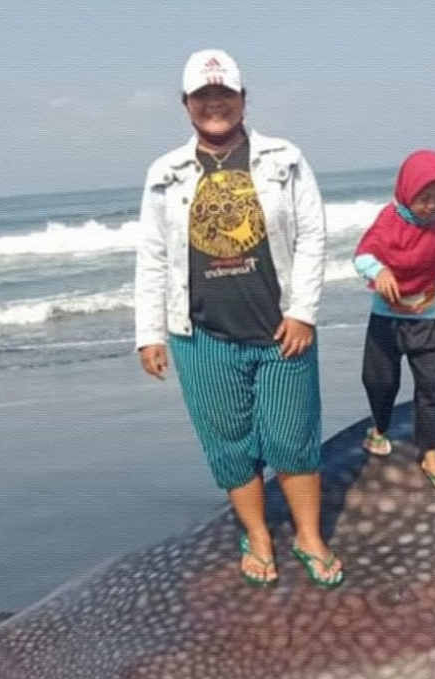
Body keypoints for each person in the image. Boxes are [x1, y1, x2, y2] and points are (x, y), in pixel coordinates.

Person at [132, 49, 342, 588]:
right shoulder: (165, 173)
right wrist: (149, 334)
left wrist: (302, 313)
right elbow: (153, 256)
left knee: (293, 436)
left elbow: (314, 236)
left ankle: (308, 536)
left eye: (224, 93)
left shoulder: (285, 158)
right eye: (203, 97)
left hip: (280, 331)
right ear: (186, 105)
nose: (214, 104)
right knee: (228, 440)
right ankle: (259, 534)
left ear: (243, 99)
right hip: (202, 337)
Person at [353, 149, 435, 495]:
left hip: (424, 319)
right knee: (380, 383)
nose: (430, 206)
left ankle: (429, 454)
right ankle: (379, 428)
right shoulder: (389, 219)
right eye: (422, 198)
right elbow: (363, 255)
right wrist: (380, 270)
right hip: (386, 320)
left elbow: (425, 254)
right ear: (405, 190)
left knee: (428, 389)